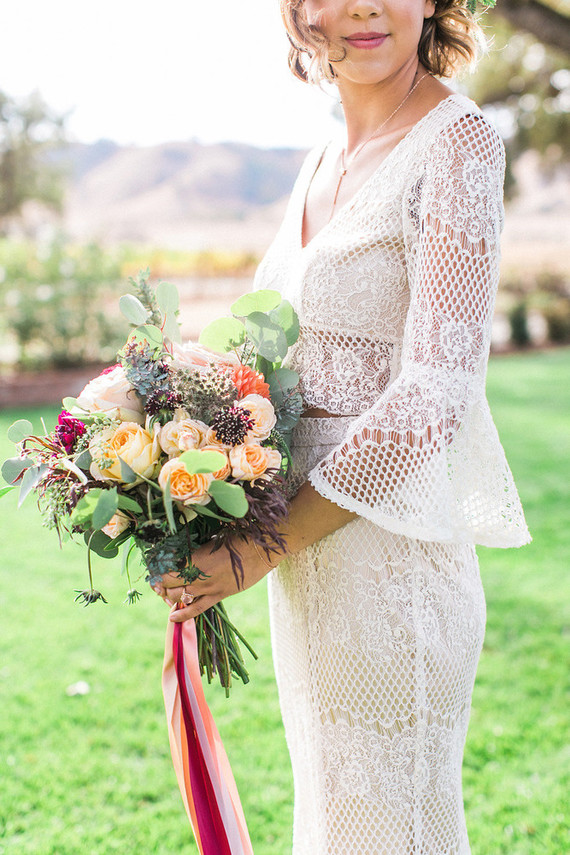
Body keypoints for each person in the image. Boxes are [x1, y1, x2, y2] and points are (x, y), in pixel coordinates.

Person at [154, 1, 530, 852]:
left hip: (392, 569)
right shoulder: (325, 152)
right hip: (305, 571)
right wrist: (183, 465)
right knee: (332, 821)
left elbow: (436, 389)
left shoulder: (458, 144)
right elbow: (284, 361)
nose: (360, 5)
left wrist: (260, 545)